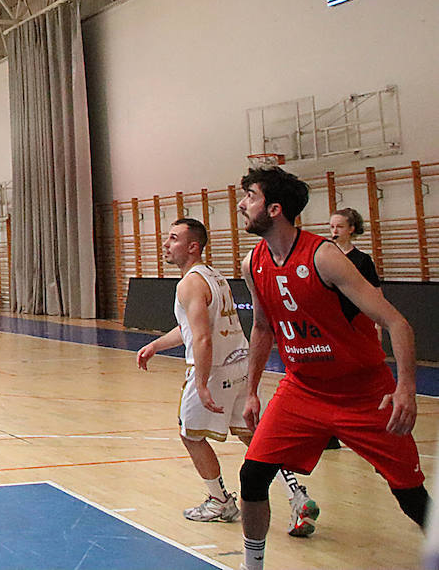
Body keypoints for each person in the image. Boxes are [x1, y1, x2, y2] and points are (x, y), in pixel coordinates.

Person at [236, 166, 430, 570]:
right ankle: (253, 565)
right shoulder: (252, 263)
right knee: (252, 476)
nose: (242, 204)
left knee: (410, 495)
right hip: (302, 390)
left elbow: (398, 324)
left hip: (365, 393)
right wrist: (251, 390)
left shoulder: (324, 257)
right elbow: (261, 327)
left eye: (250, 196)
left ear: (274, 209)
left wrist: (405, 388)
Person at [135, 218, 315, 532]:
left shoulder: (189, 282)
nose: (167, 244)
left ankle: (219, 500)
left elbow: (202, 338)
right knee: (250, 435)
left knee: (190, 434)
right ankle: (296, 493)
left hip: (214, 369)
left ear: (193, 246)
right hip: (240, 363)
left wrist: (202, 383)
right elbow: (192, 328)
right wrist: (156, 345)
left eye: (174, 238)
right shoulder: (214, 277)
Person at [329, 207, 381, 287]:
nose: (335, 231)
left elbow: (375, 288)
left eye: (340, 227)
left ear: (351, 229)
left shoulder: (363, 260)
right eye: (332, 227)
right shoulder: (327, 255)